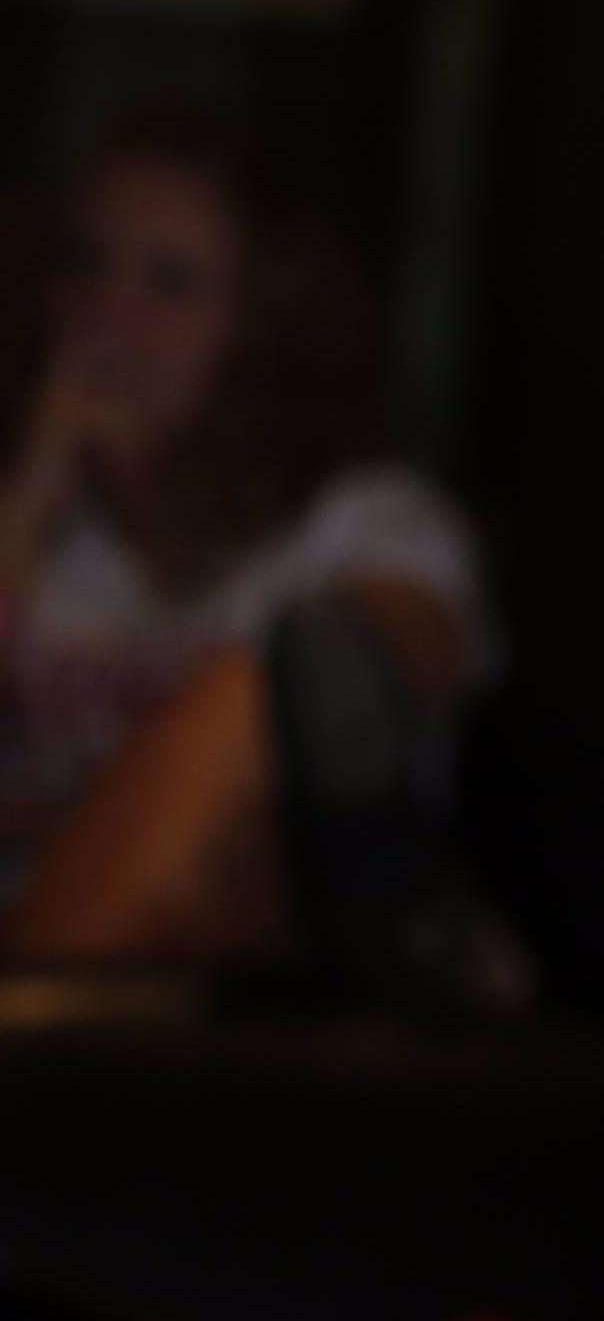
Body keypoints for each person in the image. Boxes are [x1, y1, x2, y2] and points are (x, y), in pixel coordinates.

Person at [0, 108, 498, 968]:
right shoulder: (39, 533)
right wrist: (33, 490)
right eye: (85, 264)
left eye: (169, 281)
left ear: (266, 321)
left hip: (234, 1018)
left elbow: (349, 712)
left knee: (250, 702)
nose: (106, 314)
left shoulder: (364, 525)